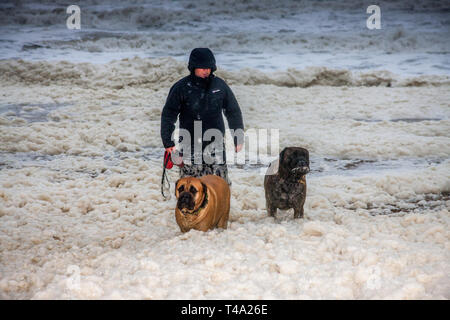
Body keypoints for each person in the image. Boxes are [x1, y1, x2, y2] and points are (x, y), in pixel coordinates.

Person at [160, 48, 244, 186]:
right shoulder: (181, 87)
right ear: (193, 67)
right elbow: (168, 115)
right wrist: (168, 142)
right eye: (203, 67)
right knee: (189, 188)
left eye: (209, 67)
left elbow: (233, 111)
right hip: (190, 145)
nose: (207, 70)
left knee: (220, 187)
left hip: (215, 145)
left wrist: (238, 137)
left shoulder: (220, 86)